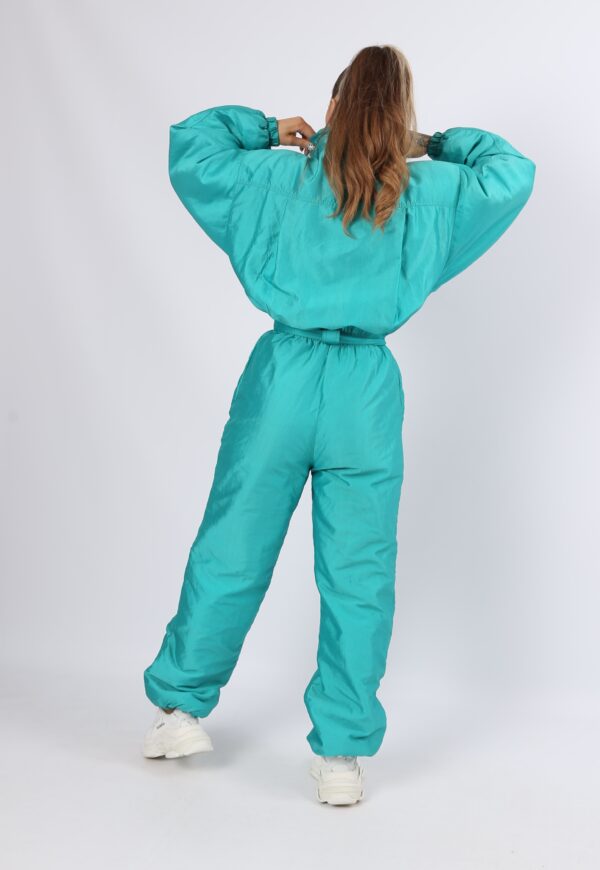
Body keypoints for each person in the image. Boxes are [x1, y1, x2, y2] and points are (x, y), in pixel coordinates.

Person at [141, 44, 536, 806]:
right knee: (360, 573)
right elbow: (511, 171)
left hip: (282, 379)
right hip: (366, 395)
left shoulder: (276, 178)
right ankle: (341, 756)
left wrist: (265, 128)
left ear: (331, 108)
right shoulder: (425, 193)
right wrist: (432, 144)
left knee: (234, 542)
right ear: (399, 117)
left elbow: (191, 144)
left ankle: (181, 710)